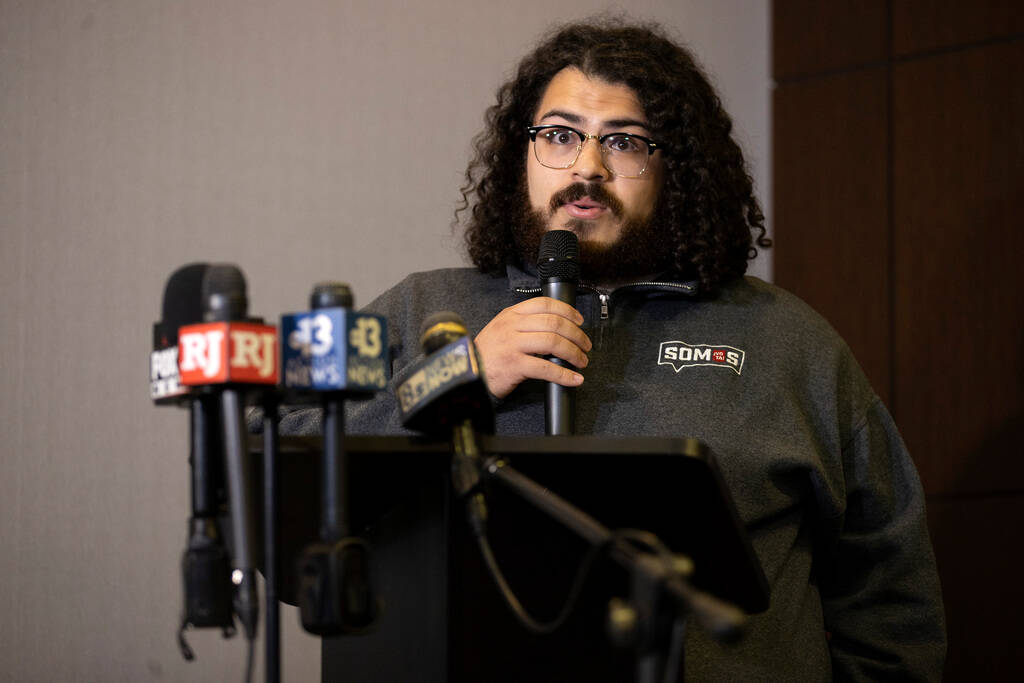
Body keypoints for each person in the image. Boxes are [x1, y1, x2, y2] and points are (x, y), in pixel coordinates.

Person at [279, 19, 946, 681]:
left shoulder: (789, 339)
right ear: (524, 152)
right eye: (561, 135)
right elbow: (271, 466)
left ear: (674, 168)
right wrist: (459, 373)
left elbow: (893, 594)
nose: (588, 168)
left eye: (624, 142)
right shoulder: (415, 307)